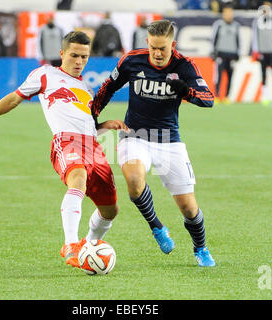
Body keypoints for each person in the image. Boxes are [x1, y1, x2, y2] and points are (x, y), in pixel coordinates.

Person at [0, 31, 129, 269]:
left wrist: (104, 126)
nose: (79, 62)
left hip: (93, 146)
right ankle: (69, 244)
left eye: (84, 57)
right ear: (62, 53)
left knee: (110, 210)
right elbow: (14, 98)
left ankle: (86, 246)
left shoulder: (85, 89)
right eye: (74, 55)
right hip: (66, 141)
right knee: (77, 178)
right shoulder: (46, 74)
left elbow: (87, 126)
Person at [92, 20, 216, 267]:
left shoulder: (185, 66)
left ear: (173, 44)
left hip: (168, 140)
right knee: (135, 182)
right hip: (134, 134)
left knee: (189, 208)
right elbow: (107, 89)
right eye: (154, 48)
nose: (158, 54)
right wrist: (92, 119)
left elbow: (208, 99)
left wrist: (186, 91)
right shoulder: (131, 61)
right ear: (148, 43)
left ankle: (200, 248)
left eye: (164, 49)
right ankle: (157, 227)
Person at [251, 2, 272, 105]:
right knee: (263, 74)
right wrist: (255, 50)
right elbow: (255, 37)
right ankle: (264, 96)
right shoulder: (257, 22)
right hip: (262, 52)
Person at [211, 4, 241, 103]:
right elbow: (214, 39)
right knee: (218, 76)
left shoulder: (236, 25)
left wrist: (237, 53)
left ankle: (227, 96)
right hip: (221, 54)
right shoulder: (219, 25)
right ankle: (217, 95)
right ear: (223, 14)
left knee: (230, 76)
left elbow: (238, 40)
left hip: (231, 54)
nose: (228, 15)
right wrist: (213, 52)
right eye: (226, 13)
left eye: (230, 13)